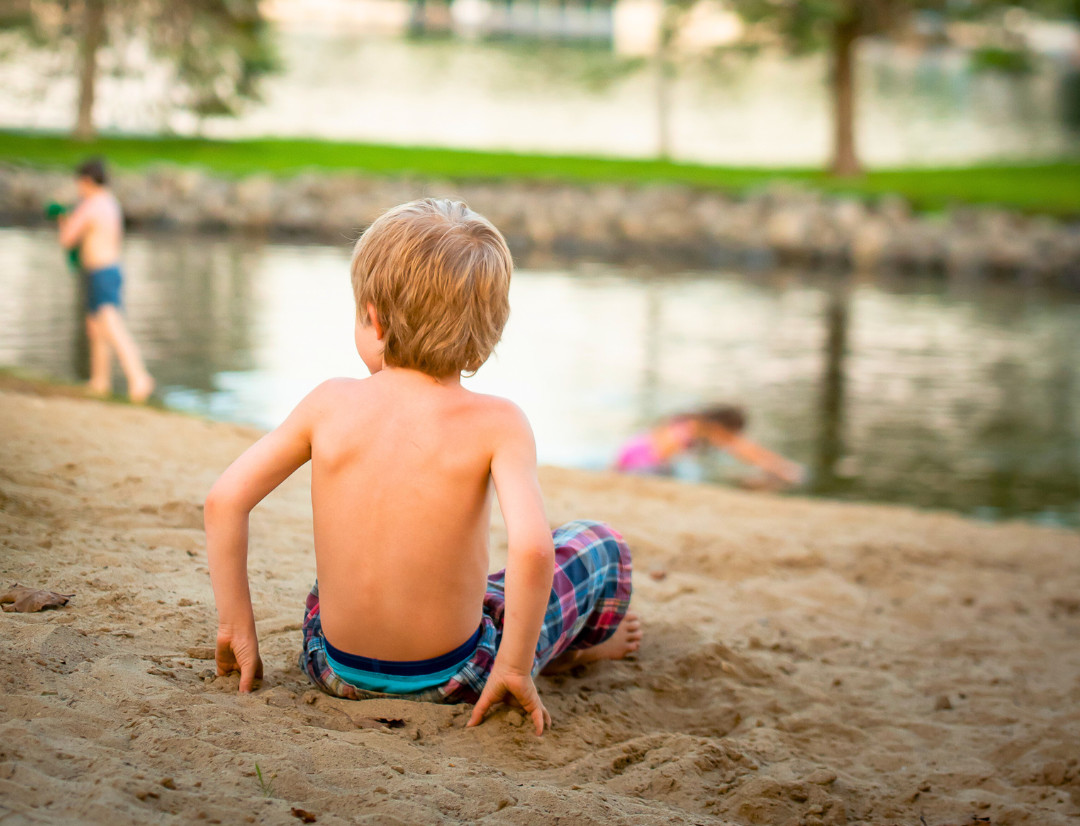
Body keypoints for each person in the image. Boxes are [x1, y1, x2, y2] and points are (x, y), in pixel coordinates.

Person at [203, 198, 640, 736]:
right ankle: (572, 650)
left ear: (374, 319)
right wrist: (512, 666)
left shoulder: (328, 402)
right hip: (457, 675)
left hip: (332, 666)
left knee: (346, 575)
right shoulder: (499, 422)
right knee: (598, 543)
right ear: (486, 339)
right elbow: (533, 549)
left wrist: (235, 626)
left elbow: (226, 500)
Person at [57, 158, 154, 404]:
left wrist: (62, 220)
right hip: (111, 270)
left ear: (87, 181)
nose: (78, 187)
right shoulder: (111, 203)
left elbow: (68, 239)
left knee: (111, 326)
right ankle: (100, 381)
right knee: (96, 329)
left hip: (101, 273)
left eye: (79, 182)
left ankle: (139, 377)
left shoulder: (91, 205)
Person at [614, 404, 805, 487]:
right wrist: (784, 469)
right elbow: (742, 449)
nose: (730, 438)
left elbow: (745, 448)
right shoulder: (691, 428)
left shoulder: (691, 423)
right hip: (641, 464)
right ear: (720, 426)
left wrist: (779, 465)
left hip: (632, 452)